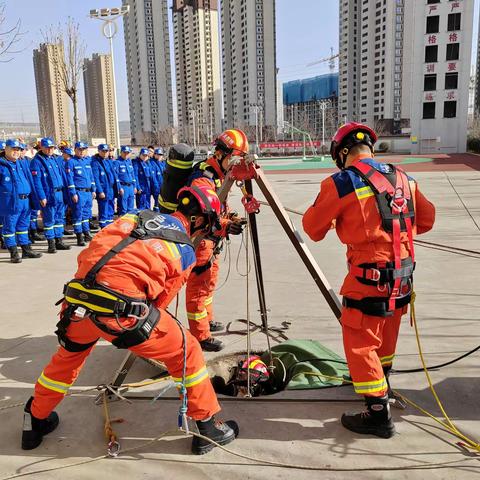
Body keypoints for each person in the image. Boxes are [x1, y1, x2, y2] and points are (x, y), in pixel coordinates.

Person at [21, 185, 239, 455]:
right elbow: (159, 304)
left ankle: (34, 419)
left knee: (67, 358)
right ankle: (208, 427)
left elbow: (94, 251)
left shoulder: (134, 217)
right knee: (188, 350)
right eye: (206, 226)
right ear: (197, 220)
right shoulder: (183, 248)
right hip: (122, 316)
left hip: (76, 306)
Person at [302, 122, 436, 438]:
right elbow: (427, 219)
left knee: (360, 344)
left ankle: (377, 413)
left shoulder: (341, 183)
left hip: (368, 281)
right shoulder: (405, 178)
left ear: (342, 152)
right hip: (402, 280)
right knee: (384, 339)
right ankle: (381, 383)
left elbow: (312, 228)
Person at [185, 130, 248, 352]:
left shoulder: (219, 174)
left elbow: (219, 206)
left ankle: (207, 321)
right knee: (198, 289)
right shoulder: (204, 177)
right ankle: (200, 336)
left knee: (208, 285)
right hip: (200, 240)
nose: (235, 163)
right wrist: (223, 225)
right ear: (221, 153)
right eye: (234, 158)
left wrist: (230, 218)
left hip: (212, 240)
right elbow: (202, 212)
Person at [0, 139, 42, 262]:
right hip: (10, 203)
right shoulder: (2, 165)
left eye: (18, 150)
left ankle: (26, 250)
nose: (16, 152)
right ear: (6, 149)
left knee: (23, 226)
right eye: (13, 149)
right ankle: (13, 253)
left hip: (25, 201)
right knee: (9, 228)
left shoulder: (22, 163)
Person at [30, 138, 71, 254]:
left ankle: (59, 241)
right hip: (48, 195)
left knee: (59, 218)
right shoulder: (36, 162)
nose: (50, 150)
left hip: (59, 193)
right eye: (47, 147)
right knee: (49, 220)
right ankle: (51, 244)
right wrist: (42, 196)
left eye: (52, 147)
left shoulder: (55, 159)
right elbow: (36, 182)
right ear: (41, 147)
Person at [66, 142, 96, 246]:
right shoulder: (71, 162)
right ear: (75, 150)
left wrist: (93, 189)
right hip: (79, 192)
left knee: (86, 215)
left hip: (88, 192)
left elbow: (91, 177)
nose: (81, 151)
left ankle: (86, 233)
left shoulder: (87, 161)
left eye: (83, 149)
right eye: (79, 149)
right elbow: (69, 179)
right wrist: (73, 193)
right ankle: (79, 236)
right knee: (78, 215)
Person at [91, 144, 121, 232]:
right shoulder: (95, 162)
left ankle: (110, 227)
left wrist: (118, 188)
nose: (105, 153)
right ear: (99, 151)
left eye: (106, 151)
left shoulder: (109, 161)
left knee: (111, 209)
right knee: (104, 210)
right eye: (103, 151)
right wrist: (100, 191)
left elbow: (115, 176)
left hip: (111, 189)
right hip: (104, 190)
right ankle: (104, 228)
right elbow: (95, 178)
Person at [114, 146, 136, 215]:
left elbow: (133, 175)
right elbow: (116, 176)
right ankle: (122, 224)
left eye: (127, 153)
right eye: (124, 153)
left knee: (131, 208)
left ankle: (129, 224)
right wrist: (119, 187)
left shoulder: (129, 162)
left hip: (130, 187)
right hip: (123, 187)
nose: (126, 154)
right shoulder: (117, 162)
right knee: (123, 208)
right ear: (121, 153)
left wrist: (134, 186)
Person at [150, 147, 166, 211]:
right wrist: (156, 186)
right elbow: (153, 177)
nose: (159, 156)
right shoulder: (152, 163)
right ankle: (156, 213)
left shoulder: (162, 163)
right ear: (154, 154)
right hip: (156, 186)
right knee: (157, 202)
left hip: (163, 185)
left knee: (162, 202)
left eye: (160, 155)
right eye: (158, 154)